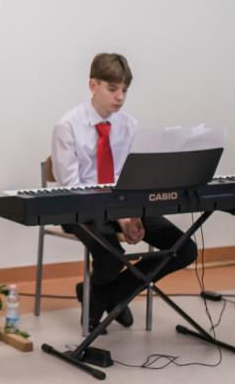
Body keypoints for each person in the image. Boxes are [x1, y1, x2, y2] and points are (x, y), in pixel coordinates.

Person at [50, 53, 197, 333]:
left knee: (184, 249)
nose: (120, 97)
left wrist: (132, 213)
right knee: (110, 255)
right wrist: (120, 216)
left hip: (124, 205)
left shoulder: (130, 125)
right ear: (93, 85)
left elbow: (134, 178)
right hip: (80, 207)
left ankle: (108, 294)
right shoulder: (67, 126)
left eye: (125, 90)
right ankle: (107, 299)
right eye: (112, 88)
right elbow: (71, 187)